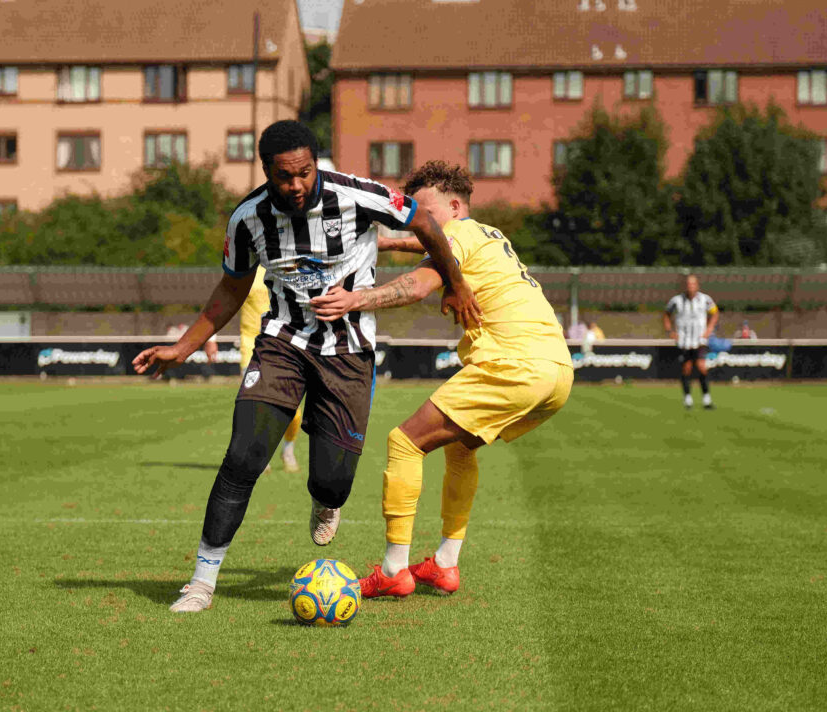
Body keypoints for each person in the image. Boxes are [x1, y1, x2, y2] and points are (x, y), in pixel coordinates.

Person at [132, 121, 481, 613]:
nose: (295, 185)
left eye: (303, 173)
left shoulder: (358, 195)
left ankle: (326, 496)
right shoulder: (247, 219)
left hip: (349, 351)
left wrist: (456, 281)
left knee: (333, 481)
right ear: (266, 172)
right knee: (244, 455)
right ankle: (201, 581)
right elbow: (233, 286)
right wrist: (184, 347)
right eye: (283, 176)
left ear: (315, 164)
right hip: (282, 343)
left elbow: (424, 221)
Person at [310, 160, 572, 598]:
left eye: (426, 212)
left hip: (515, 363)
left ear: (453, 205)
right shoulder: (488, 234)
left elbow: (414, 288)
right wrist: (390, 241)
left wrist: (353, 300)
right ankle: (445, 565)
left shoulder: (456, 235)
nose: (421, 221)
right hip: (556, 369)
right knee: (459, 447)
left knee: (404, 442)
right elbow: (435, 243)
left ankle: (394, 569)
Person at [239, 264, 302, 473]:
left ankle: (288, 449)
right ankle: (260, 454)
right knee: (257, 404)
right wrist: (210, 337)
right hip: (251, 347)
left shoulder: (290, 265)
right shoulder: (246, 269)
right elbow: (227, 297)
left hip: (286, 346)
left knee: (293, 411)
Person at [663, 274, 719, 410]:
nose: (691, 286)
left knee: (701, 367)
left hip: (700, 340)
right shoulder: (676, 301)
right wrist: (670, 331)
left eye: (693, 284)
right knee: (686, 369)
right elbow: (666, 314)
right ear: (685, 286)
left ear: (697, 285)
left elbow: (715, 313)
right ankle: (687, 399)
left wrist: (710, 329)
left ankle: (706, 399)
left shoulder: (705, 299)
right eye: (688, 284)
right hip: (684, 341)